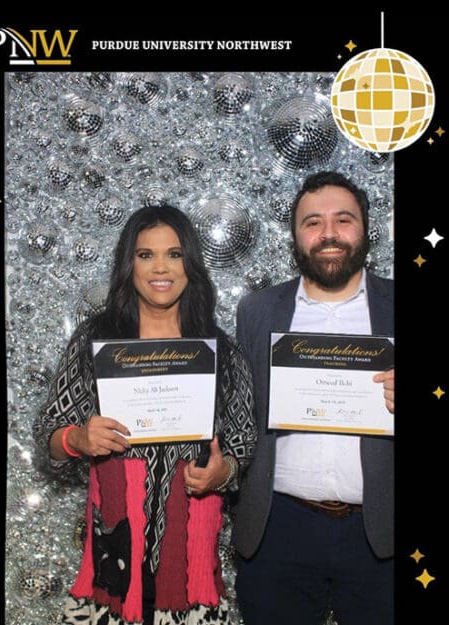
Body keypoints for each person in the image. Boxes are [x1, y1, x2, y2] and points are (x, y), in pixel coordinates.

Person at [34, 205, 256, 625]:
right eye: (145, 254)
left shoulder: (220, 352)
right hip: (110, 566)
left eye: (174, 254)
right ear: (128, 264)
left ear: (191, 265)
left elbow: (242, 447)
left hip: (192, 572)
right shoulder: (95, 341)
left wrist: (222, 473)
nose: (161, 267)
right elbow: (48, 434)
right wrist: (75, 439)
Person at [233, 171, 394, 625]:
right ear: (295, 236)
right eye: (312, 222)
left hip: (381, 534)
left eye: (343, 220)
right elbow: (238, 414)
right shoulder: (258, 310)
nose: (328, 234)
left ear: (364, 228)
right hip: (278, 529)